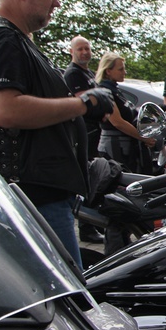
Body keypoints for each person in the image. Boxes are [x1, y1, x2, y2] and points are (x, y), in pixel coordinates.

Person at [0, 0, 114, 270]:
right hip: (30, 198)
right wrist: (83, 105)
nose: (56, 2)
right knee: (66, 305)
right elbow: (6, 110)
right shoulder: (1, 37)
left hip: (19, 195)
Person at [63, 35, 105, 244]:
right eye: (80, 49)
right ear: (72, 52)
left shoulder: (87, 73)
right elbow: (79, 100)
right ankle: (87, 227)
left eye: (87, 49)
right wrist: (98, 97)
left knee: (95, 178)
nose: (84, 53)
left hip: (93, 131)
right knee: (89, 179)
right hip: (83, 133)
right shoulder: (72, 74)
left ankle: (93, 223)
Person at [95, 52, 156, 172]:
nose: (125, 72)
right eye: (120, 69)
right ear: (108, 71)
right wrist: (143, 138)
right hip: (115, 145)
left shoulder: (115, 90)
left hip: (125, 144)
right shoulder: (105, 91)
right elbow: (117, 122)